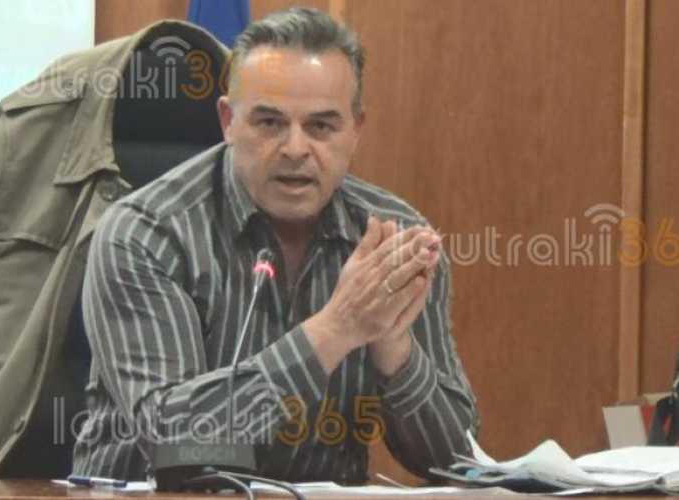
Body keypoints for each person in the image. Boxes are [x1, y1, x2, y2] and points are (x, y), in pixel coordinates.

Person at [72, 6, 478, 483]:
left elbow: (458, 461)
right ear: (228, 121)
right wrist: (336, 329)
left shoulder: (393, 242)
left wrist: (395, 350)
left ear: (356, 129)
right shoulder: (145, 234)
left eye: (321, 126)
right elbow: (173, 439)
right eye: (269, 123)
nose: (295, 149)